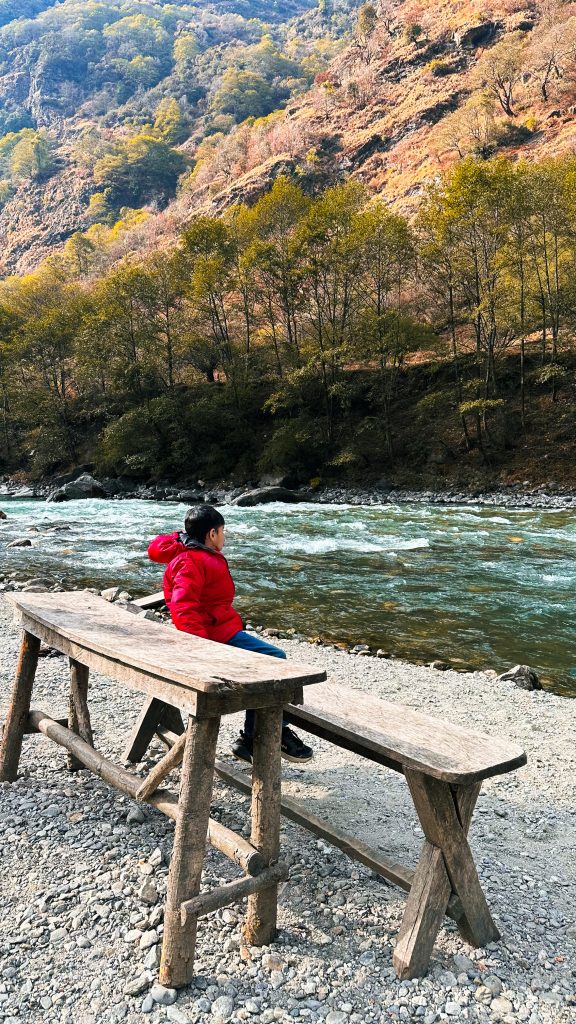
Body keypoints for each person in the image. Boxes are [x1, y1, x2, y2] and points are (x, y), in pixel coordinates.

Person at [148, 504, 313, 765]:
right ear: (212, 534)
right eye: (223, 531)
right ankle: (260, 736)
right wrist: (201, 648)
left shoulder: (193, 553)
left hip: (217, 629)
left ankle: (257, 736)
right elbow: (183, 605)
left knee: (268, 662)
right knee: (277, 660)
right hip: (213, 637)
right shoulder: (192, 560)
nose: (225, 537)